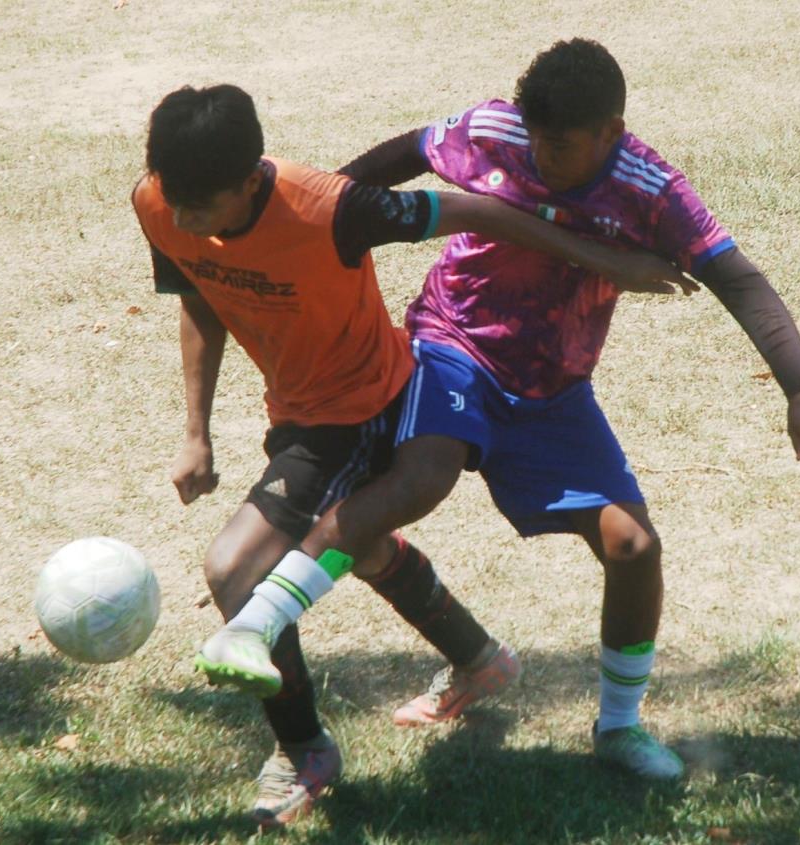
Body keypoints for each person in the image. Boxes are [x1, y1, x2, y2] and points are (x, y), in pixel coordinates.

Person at [204, 39, 800, 784]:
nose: (543, 156)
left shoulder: (652, 191)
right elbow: (403, 153)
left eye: (563, 146)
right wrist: (321, 221)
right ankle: (257, 624)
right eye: (536, 138)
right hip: (451, 343)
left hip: (552, 386)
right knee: (419, 480)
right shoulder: (493, 129)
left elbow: (738, 279)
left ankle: (617, 727)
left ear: (611, 131)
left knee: (633, 548)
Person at [134, 83, 689, 828]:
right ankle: (477, 656)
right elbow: (197, 295)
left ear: (250, 177)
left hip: (361, 406)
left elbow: (475, 209)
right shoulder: (158, 202)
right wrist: (195, 427)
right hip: (296, 411)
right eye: (176, 201)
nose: (185, 220)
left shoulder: (333, 207)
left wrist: (599, 257)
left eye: (202, 207)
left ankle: (303, 750)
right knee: (353, 544)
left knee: (236, 569)